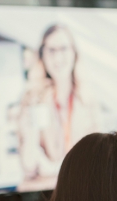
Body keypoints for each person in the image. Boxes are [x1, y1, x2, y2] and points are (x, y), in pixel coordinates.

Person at [18, 25, 98, 179]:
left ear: (74, 53)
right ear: (42, 55)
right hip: (46, 195)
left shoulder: (88, 100)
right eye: (51, 50)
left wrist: (53, 168)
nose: (58, 57)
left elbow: (96, 160)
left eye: (63, 48)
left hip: (81, 190)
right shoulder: (31, 99)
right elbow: (28, 164)